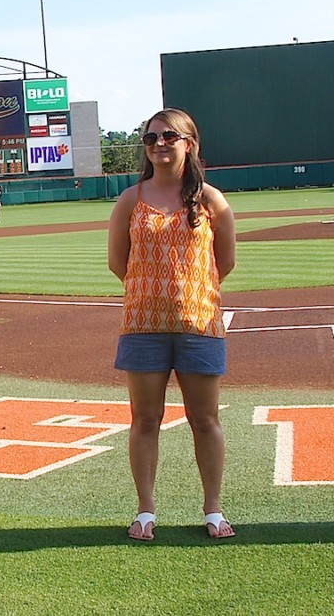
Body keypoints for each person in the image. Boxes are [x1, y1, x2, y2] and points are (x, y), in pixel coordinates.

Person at [106, 109, 237, 541]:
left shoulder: (212, 200)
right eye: (151, 138)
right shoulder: (130, 199)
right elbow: (117, 262)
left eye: (169, 136)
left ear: (189, 143)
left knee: (205, 420)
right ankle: (145, 510)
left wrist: (187, 291)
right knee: (145, 419)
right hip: (143, 324)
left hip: (199, 323)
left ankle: (214, 509)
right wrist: (153, 289)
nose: (159, 144)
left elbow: (225, 263)